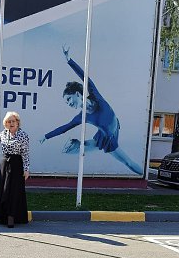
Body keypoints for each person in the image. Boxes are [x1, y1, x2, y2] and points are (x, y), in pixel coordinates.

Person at [40, 45, 143, 176]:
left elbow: (85, 77)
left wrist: (69, 60)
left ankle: (78, 144)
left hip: (114, 126)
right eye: (66, 103)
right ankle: (77, 144)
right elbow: (64, 128)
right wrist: (46, 136)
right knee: (128, 163)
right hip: (106, 137)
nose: (69, 104)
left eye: (69, 99)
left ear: (77, 94)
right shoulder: (81, 117)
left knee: (127, 162)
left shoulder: (95, 95)